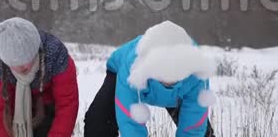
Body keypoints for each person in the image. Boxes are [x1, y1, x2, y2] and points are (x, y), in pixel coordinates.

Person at [84, 20, 217, 137]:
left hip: (181, 91)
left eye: (174, 79)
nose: (168, 82)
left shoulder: (197, 75)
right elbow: (130, 124)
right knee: (97, 123)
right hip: (121, 73)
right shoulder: (132, 69)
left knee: (203, 132)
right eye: (163, 77)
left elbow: (192, 129)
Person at [0, 17, 79, 137]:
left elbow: (67, 105)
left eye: (25, 60)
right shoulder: (0, 61)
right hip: (17, 111)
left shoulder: (56, 54)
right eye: (14, 64)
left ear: (35, 51)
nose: (20, 67)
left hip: (48, 109)